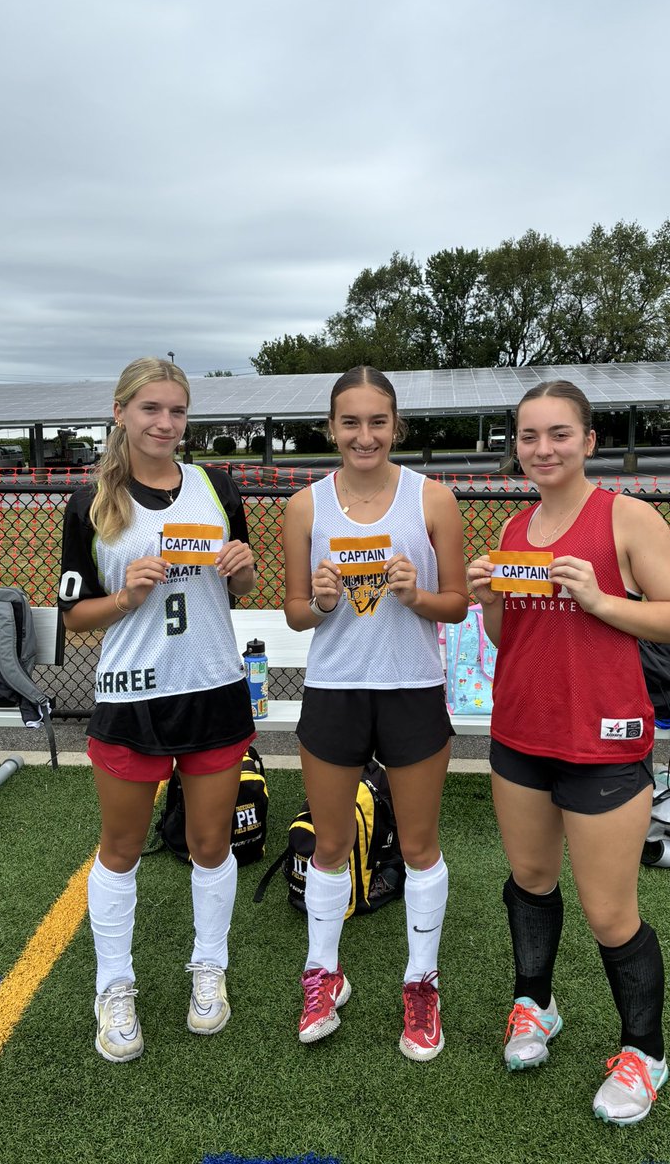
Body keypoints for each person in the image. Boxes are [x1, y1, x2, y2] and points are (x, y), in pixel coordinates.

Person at [467, 380, 670, 1125]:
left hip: (603, 741)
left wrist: (602, 600)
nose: (543, 449)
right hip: (520, 736)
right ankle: (535, 1005)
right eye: (529, 436)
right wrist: (492, 598)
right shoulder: (512, 527)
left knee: (610, 912)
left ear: (589, 441)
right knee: (531, 882)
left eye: (559, 434)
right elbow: (511, 640)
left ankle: (644, 1051)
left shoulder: (626, 518)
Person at [58, 356, 257, 1063]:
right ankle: (115, 987)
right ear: (121, 413)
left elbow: (242, 583)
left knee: (210, 845)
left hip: (211, 686)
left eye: (176, 411)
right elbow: (73, 617)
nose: (165, 423)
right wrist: (125, 598)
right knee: (120, 851)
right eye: (151, 410)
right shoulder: (89, 502)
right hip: (132, 695)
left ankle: (210, 968)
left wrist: (243, 567)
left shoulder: (217, 486)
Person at [283, 365, 468, 1060]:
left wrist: (418, 595)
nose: (365, 435)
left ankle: (422, 985)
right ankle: (324, 974)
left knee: (420, 847)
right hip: (335, 688)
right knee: (331, 845)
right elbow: (295, 611)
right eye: (351, 422)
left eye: (378, 421)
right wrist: (324, 603)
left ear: (397, 427)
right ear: (330, 428)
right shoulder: (306, 506)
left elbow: (457, 604)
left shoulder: (433, 498)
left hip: (413, 687)